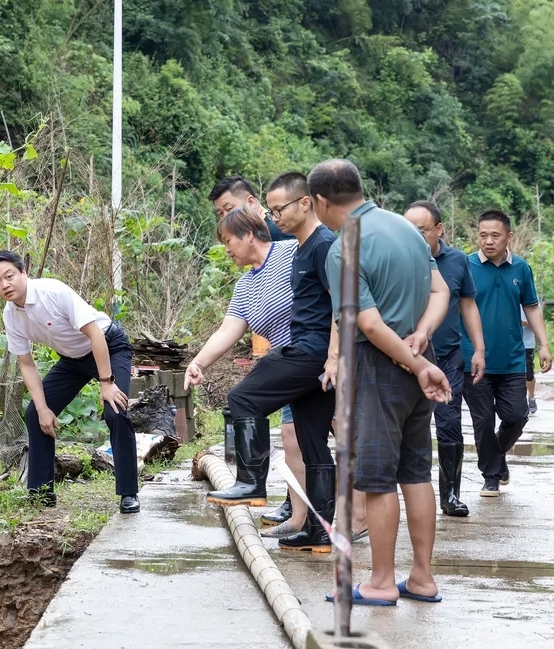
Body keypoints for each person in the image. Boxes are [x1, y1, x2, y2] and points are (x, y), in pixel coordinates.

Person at [314, 159, 452, 606]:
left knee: (376, 480)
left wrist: (413, 363)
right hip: (417, 357)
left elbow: (370, 325)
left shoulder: (344, 248)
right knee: (415, 472)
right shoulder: (408, 229)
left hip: (380, 367)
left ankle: (381, 581)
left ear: (319, 201)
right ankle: (423, 578)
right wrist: (423, 341)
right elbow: (440, 292)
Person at [205, 171, 339, 554]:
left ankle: (251, 482)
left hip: (311, 351)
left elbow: (342, 303)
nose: (273, 215)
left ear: (305, 203)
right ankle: (319, 532)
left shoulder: (321, 246)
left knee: (244, 399)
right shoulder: (301, 247)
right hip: (314, 356)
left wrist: (334, 357)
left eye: (278, 208)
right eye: (271, 209)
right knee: (314, 446)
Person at [183, 208, 309, 539]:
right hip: (290, 364)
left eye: (228, 241)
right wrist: (198, 363)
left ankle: (360, 513)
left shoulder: (290, 251)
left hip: (315, 356)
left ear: (249, 235)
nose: (226, 249)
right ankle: (301, 521)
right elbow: (228, 331)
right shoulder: (246, 284)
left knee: (341, 433)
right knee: (294, 440)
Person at [0, 250, 140, 513]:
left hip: (108, 346)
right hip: (71, 359)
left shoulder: (53, 292)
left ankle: (128, 493)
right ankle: (41, 492)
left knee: (115, 409)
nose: (4, 285)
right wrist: (44, 408)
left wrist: (106, 382)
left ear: (23, 272)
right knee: (36, 412)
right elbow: (26, 363)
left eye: (9, 276)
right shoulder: (11, 315)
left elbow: (95, 335)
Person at [461, 211, 552, 498]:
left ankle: (495, 457)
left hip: (512, 358)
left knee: (517, 415)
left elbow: (532, 306)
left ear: (508, 237)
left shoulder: (521, 268)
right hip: (473, 360)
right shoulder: (466, 265)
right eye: (483, 235)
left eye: (495, 235)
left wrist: (544, 344)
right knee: (484, 420)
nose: (488, 241)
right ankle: (490, 476)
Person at [404, 201, 486, 517]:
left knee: (449, 423)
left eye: (421, 230)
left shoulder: (457, 262)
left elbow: (467, 306)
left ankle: (450, 495)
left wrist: (478, 349)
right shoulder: (398, 257)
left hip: (447, 357)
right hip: (405, 356)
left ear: (439, 229)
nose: (414, 236)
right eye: (408, 229)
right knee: (409, 427)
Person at [209, 175, 291, 242]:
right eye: (220, 213)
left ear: (250, 202)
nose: (225, 218)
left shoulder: (280, 230)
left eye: (229, 209)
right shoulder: (247, 235)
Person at [522, 305, 538, 414]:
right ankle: (519, 401)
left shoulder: (531, 297)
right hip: (509, 342)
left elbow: (538, 322)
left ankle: (531, 397)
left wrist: (526, 323)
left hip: (527, 343)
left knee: (529, 372)